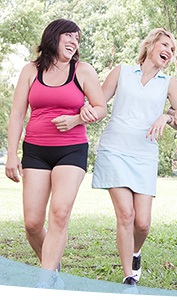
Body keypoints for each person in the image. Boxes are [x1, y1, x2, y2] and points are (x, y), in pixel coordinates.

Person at [4, 18, 107, 288]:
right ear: (54, 37)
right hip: (36, 150)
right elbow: (17, 114)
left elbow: (100, 107)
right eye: (69, 36)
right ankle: (52, 268)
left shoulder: (83, 71)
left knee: (60, 213)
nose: (74, 42)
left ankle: (45, 281)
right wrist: (12, 154)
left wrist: (79, 118)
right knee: (32, 223)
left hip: (71, 149)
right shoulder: (30, 70)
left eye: (78, 39)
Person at [88, 28, 177, 287]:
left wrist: (167, 116)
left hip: (144, 154)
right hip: (114, 150)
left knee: (143, 223)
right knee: (126, 215)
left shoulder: (168, 83)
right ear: (150, 45)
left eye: (172, 49)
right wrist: (83, 107)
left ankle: (135, 253)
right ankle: (128, 277)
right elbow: (98, 104)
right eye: (165, 44)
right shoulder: (121, 72)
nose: (169, 51)